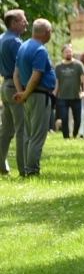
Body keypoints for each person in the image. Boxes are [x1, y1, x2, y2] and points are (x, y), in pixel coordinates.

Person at [12, 19, 56, 177]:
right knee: (37, 136)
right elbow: (36, 76)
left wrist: (22, 93)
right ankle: (32, 170)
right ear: (47, 32)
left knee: (28, 135)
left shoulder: (23, 46)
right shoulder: (40, 50)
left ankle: (24, 169)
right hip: (38, 95)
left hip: (28, 95)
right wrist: (26, 93)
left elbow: (16, 74)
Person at [0, 9, 28, 175]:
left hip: (4, 86)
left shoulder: (2, 39)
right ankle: (24, 170)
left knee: (6, 130)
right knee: (21, 129)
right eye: (23, 20)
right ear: (14, 23)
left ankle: (2, 168)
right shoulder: (16, 42)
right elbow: (22, 67)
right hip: (15, 86)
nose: (26, 23)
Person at [54, 44, 84, 140]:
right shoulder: (58, 67)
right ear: (63, 54)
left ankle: (74, 134)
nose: (69, 53)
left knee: (77, 119)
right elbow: (57, 82)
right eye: (67, 52)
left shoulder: (78, 65)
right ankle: (66, 137)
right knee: (64, 118)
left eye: (70, 52)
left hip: (76, 96)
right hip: (62, 97)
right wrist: (54, 94)